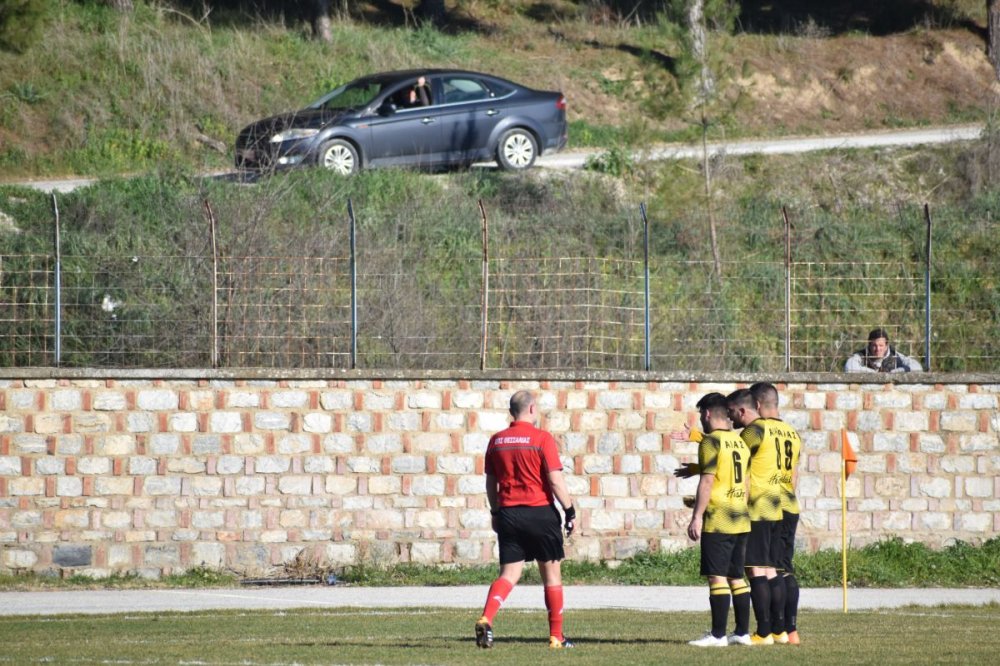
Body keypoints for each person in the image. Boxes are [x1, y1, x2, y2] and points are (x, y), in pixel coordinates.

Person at [475, 390, 576, 650]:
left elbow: (490, 483)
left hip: (509, 513)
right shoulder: (542, 438)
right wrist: (570, 510)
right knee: (551, 575)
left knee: (509, 574)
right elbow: (554, 480)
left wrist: (496, 512)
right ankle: (556, 636)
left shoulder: (496, 441)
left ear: (512, 411)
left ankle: (486, 617)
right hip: (540, 513)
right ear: (532, 409)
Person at [685, 392, 753, 648]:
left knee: (717, 576)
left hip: (719, 517)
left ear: (707, 414)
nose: (701, 419)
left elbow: (707, 480)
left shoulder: (711, 442)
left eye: (701, 414)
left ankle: (717, 635)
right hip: (741, 517)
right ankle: (743, 632)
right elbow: (746, 484)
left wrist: (697, 517)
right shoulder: (740, 443)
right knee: (737, 577)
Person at [727, 388, 785, 645]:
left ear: (744, 410)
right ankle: (778, 630)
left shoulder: (753, 431)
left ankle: (763, 632)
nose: (731, 420)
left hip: (757, 505)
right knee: (771, 569)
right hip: (775, 504)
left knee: (754, 569)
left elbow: (732, 457)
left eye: (732, 413)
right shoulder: (778, 429)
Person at [749, 381, 803, 646]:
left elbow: (733, 452)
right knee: (784, 568)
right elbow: (794, 475)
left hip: (767, 504)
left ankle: (768, 629)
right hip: (789, 503)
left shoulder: (758, 429)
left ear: (757, 405)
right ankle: (790, 631)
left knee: (761, 566)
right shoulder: (792, 433)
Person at [844, 328, 923, 373]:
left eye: (881, 345)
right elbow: (849, 367)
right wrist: (873, 374)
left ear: (886, 345)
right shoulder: (861, 355)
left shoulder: (896, 356)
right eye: (874, 345)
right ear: (869, 345)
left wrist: (895, 372)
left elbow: (918, 367)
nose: (878, 349)